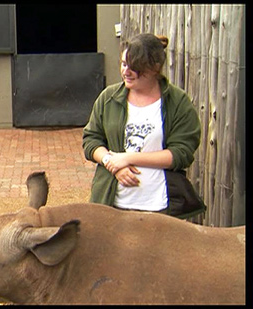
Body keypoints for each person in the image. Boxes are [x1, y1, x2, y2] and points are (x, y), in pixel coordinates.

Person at [82, 33, 201, 216]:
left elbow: (181, 153)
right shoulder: (108, 98)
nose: (126, 72)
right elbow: (91, 140)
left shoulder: (178, 103)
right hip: (111, 206)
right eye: (123, 64)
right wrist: (113, 164)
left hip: (159, 208)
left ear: (155, 67)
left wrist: (129, 158)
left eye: (134, 67)